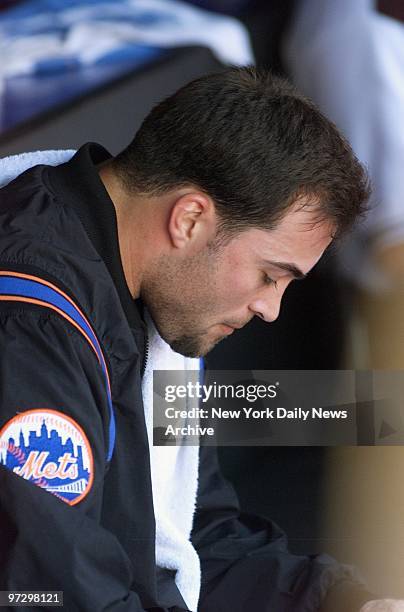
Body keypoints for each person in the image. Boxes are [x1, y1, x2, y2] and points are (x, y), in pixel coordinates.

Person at [0, 67, 391, 611]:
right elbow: (46, 597)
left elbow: (194, 538)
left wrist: (342, 601)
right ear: (189, 219)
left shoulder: (148, 301)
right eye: (270, 275)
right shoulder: (29, 323)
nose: (271, 309)